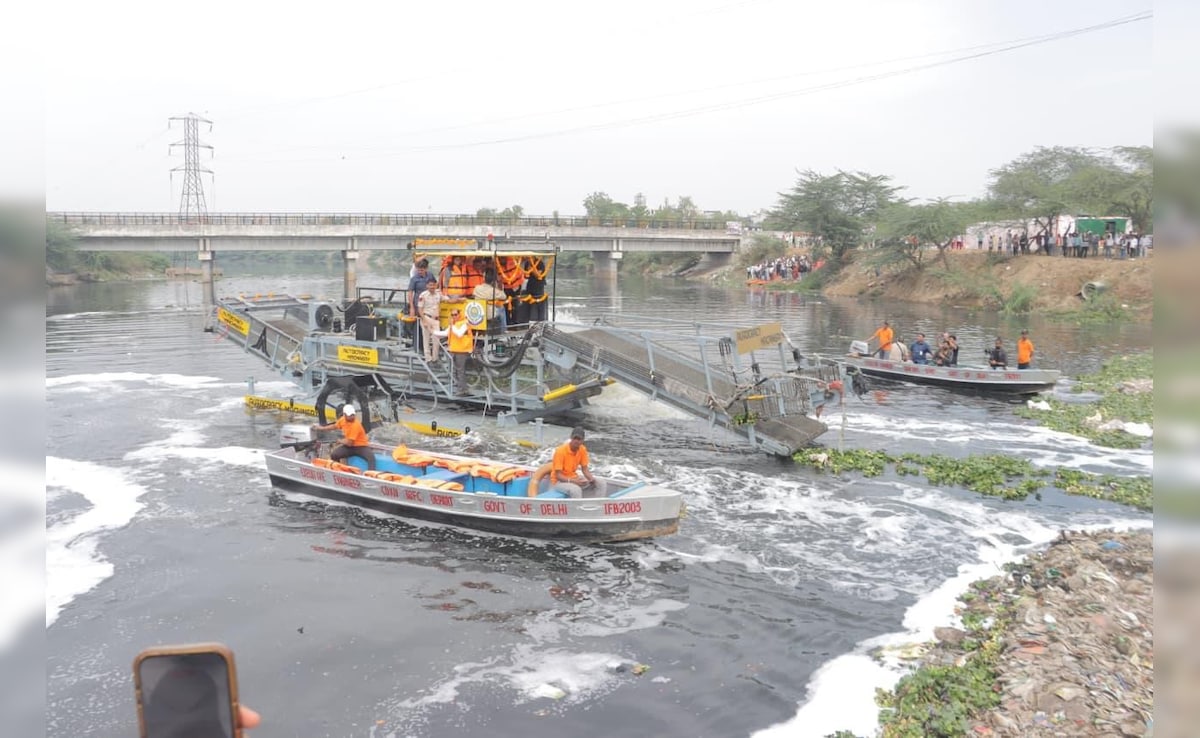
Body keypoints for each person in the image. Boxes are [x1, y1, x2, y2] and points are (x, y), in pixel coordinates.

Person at [313, 404, 375, 470]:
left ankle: (371, 474)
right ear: (344, 414)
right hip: (349, 447)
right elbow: (334, 426)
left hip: (361, 446)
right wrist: (322, 428)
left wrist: (340, 441)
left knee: (371, 458)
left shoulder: (356, 425)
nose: (352, 417)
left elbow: (349, 443)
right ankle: (338, 470)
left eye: (353, 415)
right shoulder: (342, 420)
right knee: (334, 454)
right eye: (349, 415)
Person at [550, 427, 606, 499]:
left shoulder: (582, 449)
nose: (576, 441)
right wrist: (573, 481)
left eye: (579, 439)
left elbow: (585, 469)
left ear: (582, 440)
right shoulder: (560, 451)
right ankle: (578, 508)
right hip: (558, 482)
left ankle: (598, 504)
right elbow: (558, 476)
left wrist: (591, 479)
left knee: (601, 482)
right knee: (576, 490)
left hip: (574, 477)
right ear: (571, 438)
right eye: (574, 438)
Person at [435, 307, 474, 395]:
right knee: (455, 370)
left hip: (462, 350)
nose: (454, 316)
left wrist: (452, 325)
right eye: (452, 315)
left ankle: (463, 389)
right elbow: (445, 333)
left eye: (455, 314)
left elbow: (459, 334)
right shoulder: (454, 324)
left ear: (459, 314)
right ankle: (459, 387)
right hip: (453, 349)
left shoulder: (465, 323)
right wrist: (432, 331)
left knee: (460, 370)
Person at [472, 268, 508, 333]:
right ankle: (503, 331)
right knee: (501, 307)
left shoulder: (476, 288)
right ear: (493, 281)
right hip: (489, 316)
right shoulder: (494, 291)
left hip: (478, 315)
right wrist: (499, 284)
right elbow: (504, 296)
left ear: (484, 278)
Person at [417, 280, 443, 362]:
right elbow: (420, 309)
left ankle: (435, 358)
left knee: (436, 340)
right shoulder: (423, 295)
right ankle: (428, 358)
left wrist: (459, 300)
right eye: (430, 285)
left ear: (436, 286)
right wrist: (424, 320)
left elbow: (447, 299)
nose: (432, 287)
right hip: (426, 317)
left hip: (435, 319)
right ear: (427, 286)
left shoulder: (439, 294)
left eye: (433, 285)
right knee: (426, 339)